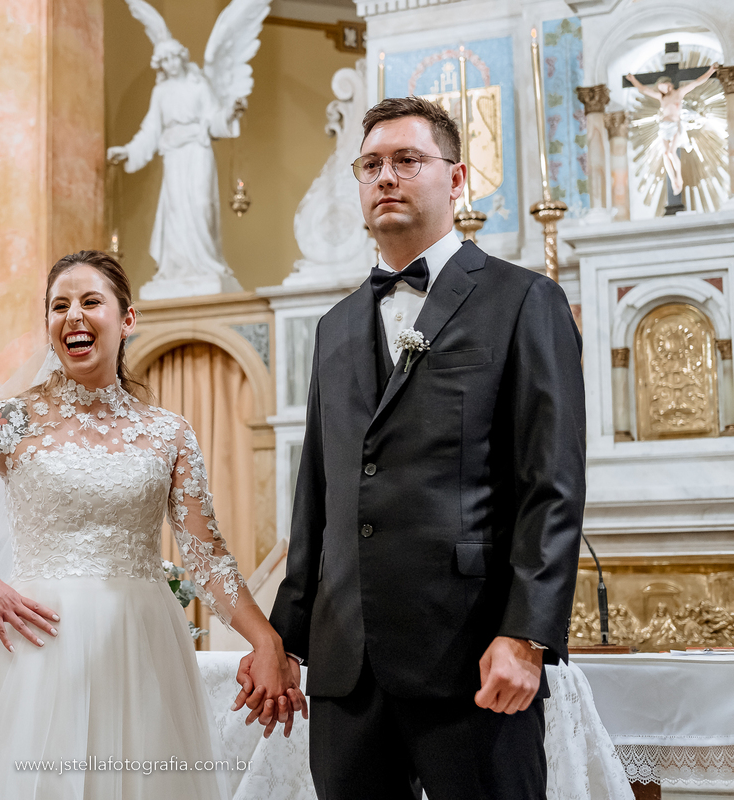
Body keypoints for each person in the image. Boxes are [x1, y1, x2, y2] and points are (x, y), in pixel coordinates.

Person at [241, 96, 586, 799]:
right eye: (371, 165)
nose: (386, 177)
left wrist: (525, 635)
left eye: (407, 160)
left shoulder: (524, 301)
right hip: (347, 672)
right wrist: (284, 639)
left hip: (473, 658)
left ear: (456, 180)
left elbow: (550, 485)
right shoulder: (334, 327)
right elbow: (319, 500)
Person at [0, 250, 303, 799]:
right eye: (58, 306)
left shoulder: (168, 433)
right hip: (39, 641)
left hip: (141, 644)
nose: (72, 315)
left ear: (127, 320)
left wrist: (266, 641)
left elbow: (207, 556)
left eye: (90, 301)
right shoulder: (11, 419)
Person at [626, 64, 718, 196]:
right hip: (664, 127)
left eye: (662, 87)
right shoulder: (661, 97)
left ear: (667, 84)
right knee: (665, 154)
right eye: (659, 89)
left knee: (671, 152)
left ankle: (679, 178)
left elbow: (696, 82)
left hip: (675, 126)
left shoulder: (679, 93)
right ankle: (673, 179)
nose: (661, 90)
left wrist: (711, 71)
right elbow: (644, 90)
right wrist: (633, 79)